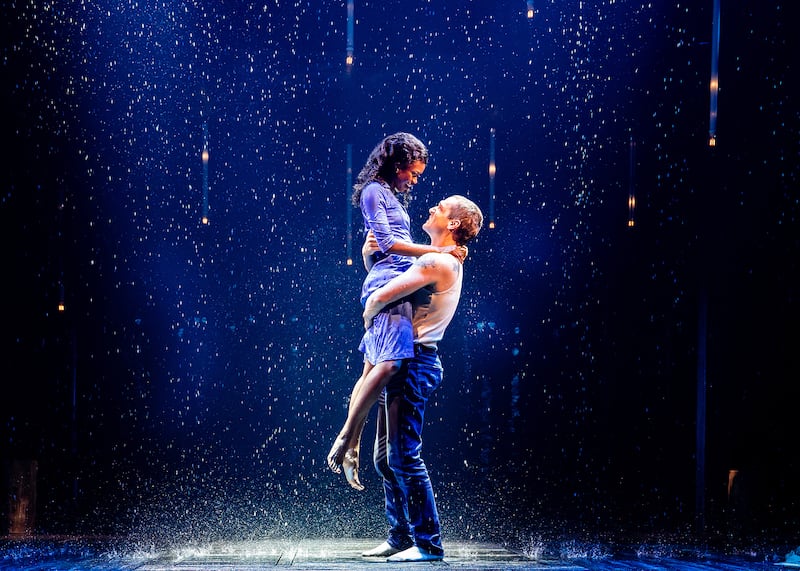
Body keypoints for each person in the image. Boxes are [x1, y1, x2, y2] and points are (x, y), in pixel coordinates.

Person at [332, 195, 484, 563]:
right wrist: (372, 259)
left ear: (452, 225)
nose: (432, 207)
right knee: (386, 459)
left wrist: (370, 312)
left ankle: (428, 544)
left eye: (442, 207)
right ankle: (400, 536)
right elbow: (388, 275)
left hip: (414, 364)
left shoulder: (437, 261)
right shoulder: (432, 258)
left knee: (403, 457)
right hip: (404, 359)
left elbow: (383, 294)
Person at [327, 133, 463, 479]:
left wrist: (374, 257)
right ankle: (346, 437)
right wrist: (437, 252)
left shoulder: (387, 196)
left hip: (391, 279)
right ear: (397, 165)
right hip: (390, 285)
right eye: (413, 173)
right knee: (388, 365)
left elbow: (383, 252)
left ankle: (352, 444)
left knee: (370, 368)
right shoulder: (374, 192)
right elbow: (388, 244)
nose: (414, 181)